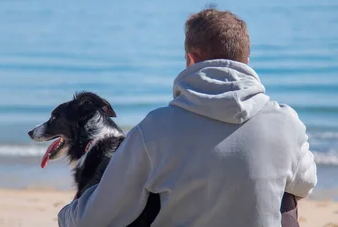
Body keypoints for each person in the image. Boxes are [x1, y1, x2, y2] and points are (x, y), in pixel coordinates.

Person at [57, 8, 317, 227]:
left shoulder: (155, 129)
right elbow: (305, 184)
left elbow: (96, 217)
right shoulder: (286, 122)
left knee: (136, 195)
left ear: (191, 60)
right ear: (246, 61)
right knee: (286, 195)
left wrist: (66, 214)